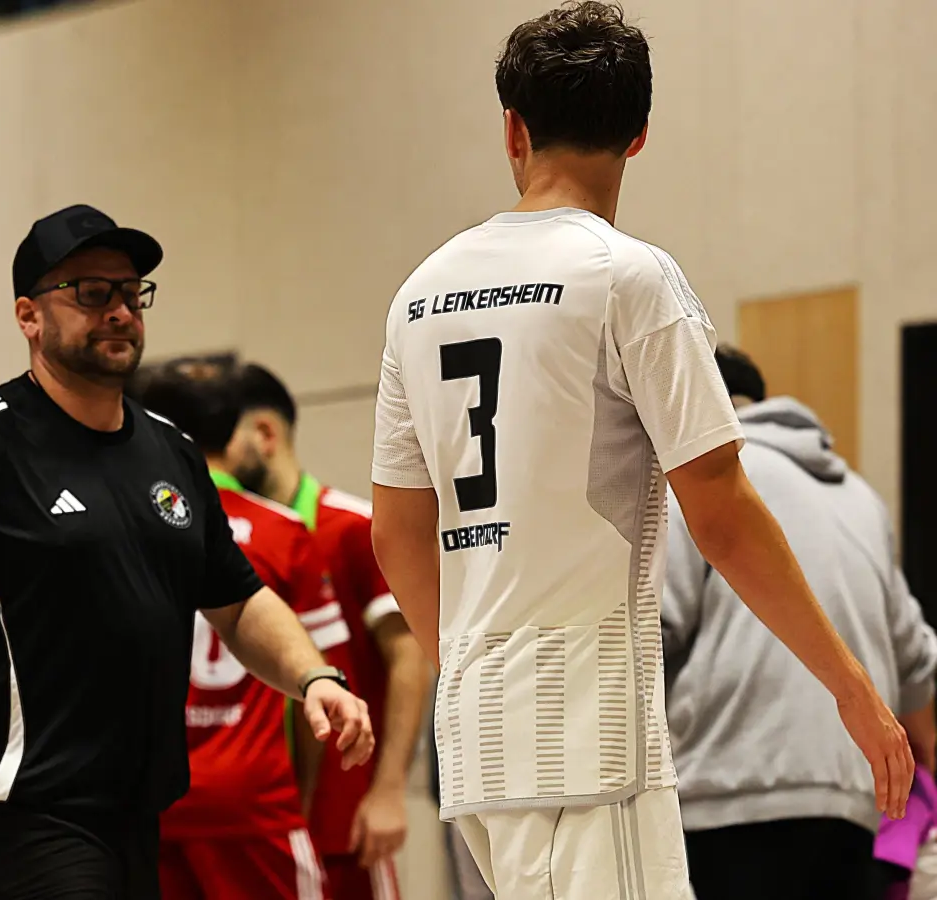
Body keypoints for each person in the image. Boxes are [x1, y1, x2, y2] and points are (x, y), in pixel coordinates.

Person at [366, 4, 913, 898]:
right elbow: (723, 513)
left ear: (514, 126)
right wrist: (849, 685)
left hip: (473, 733)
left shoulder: (418, 294)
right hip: (588, 734)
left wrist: (468, 668)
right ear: (640, 134)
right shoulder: (630, 276)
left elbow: (397, 534)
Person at [0, 203, 375, 898]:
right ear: (29, 316)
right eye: (90, 293)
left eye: (129, 293)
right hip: (15, 817)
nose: (118, 310)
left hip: (137, 814)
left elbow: (237, 603)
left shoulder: (172, 450)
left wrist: (315, 680)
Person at [662, 345, 937, 900]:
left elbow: (653, 635)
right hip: (855, 809)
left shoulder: (696, 485)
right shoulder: (862, 497)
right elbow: (915, 666)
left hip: (728, 800)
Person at [132, 357, 350, 900]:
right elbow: (317, 686)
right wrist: (299, 800)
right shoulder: (284, 532)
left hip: (147, 798)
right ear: (234, 434)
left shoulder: (124, 525)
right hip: (255, 801)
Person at [231, 361, 430, 899]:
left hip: (344, 819)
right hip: (258, 821)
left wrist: (388, 790)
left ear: (264, 434)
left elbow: (410, 655)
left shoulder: (351, 527)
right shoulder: (227, 543)